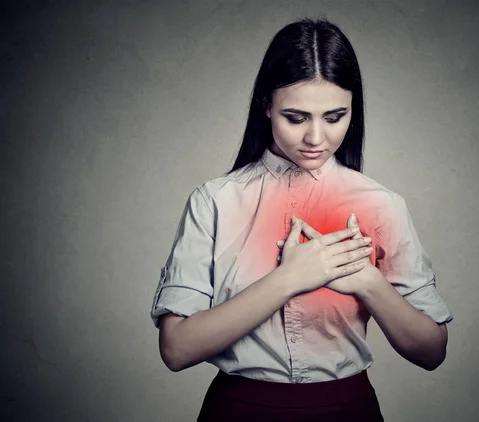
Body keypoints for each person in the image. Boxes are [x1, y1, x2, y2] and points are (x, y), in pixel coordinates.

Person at [150, 17, 453, 422]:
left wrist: (367, 280)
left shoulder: (382, 205)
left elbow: (432, 352)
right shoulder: (214, 201)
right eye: (296, 117)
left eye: (334, 117)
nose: (316, 138)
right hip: (239, 412)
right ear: (266, 106)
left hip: (348, 411)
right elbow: (176, 350)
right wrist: (290, 278)